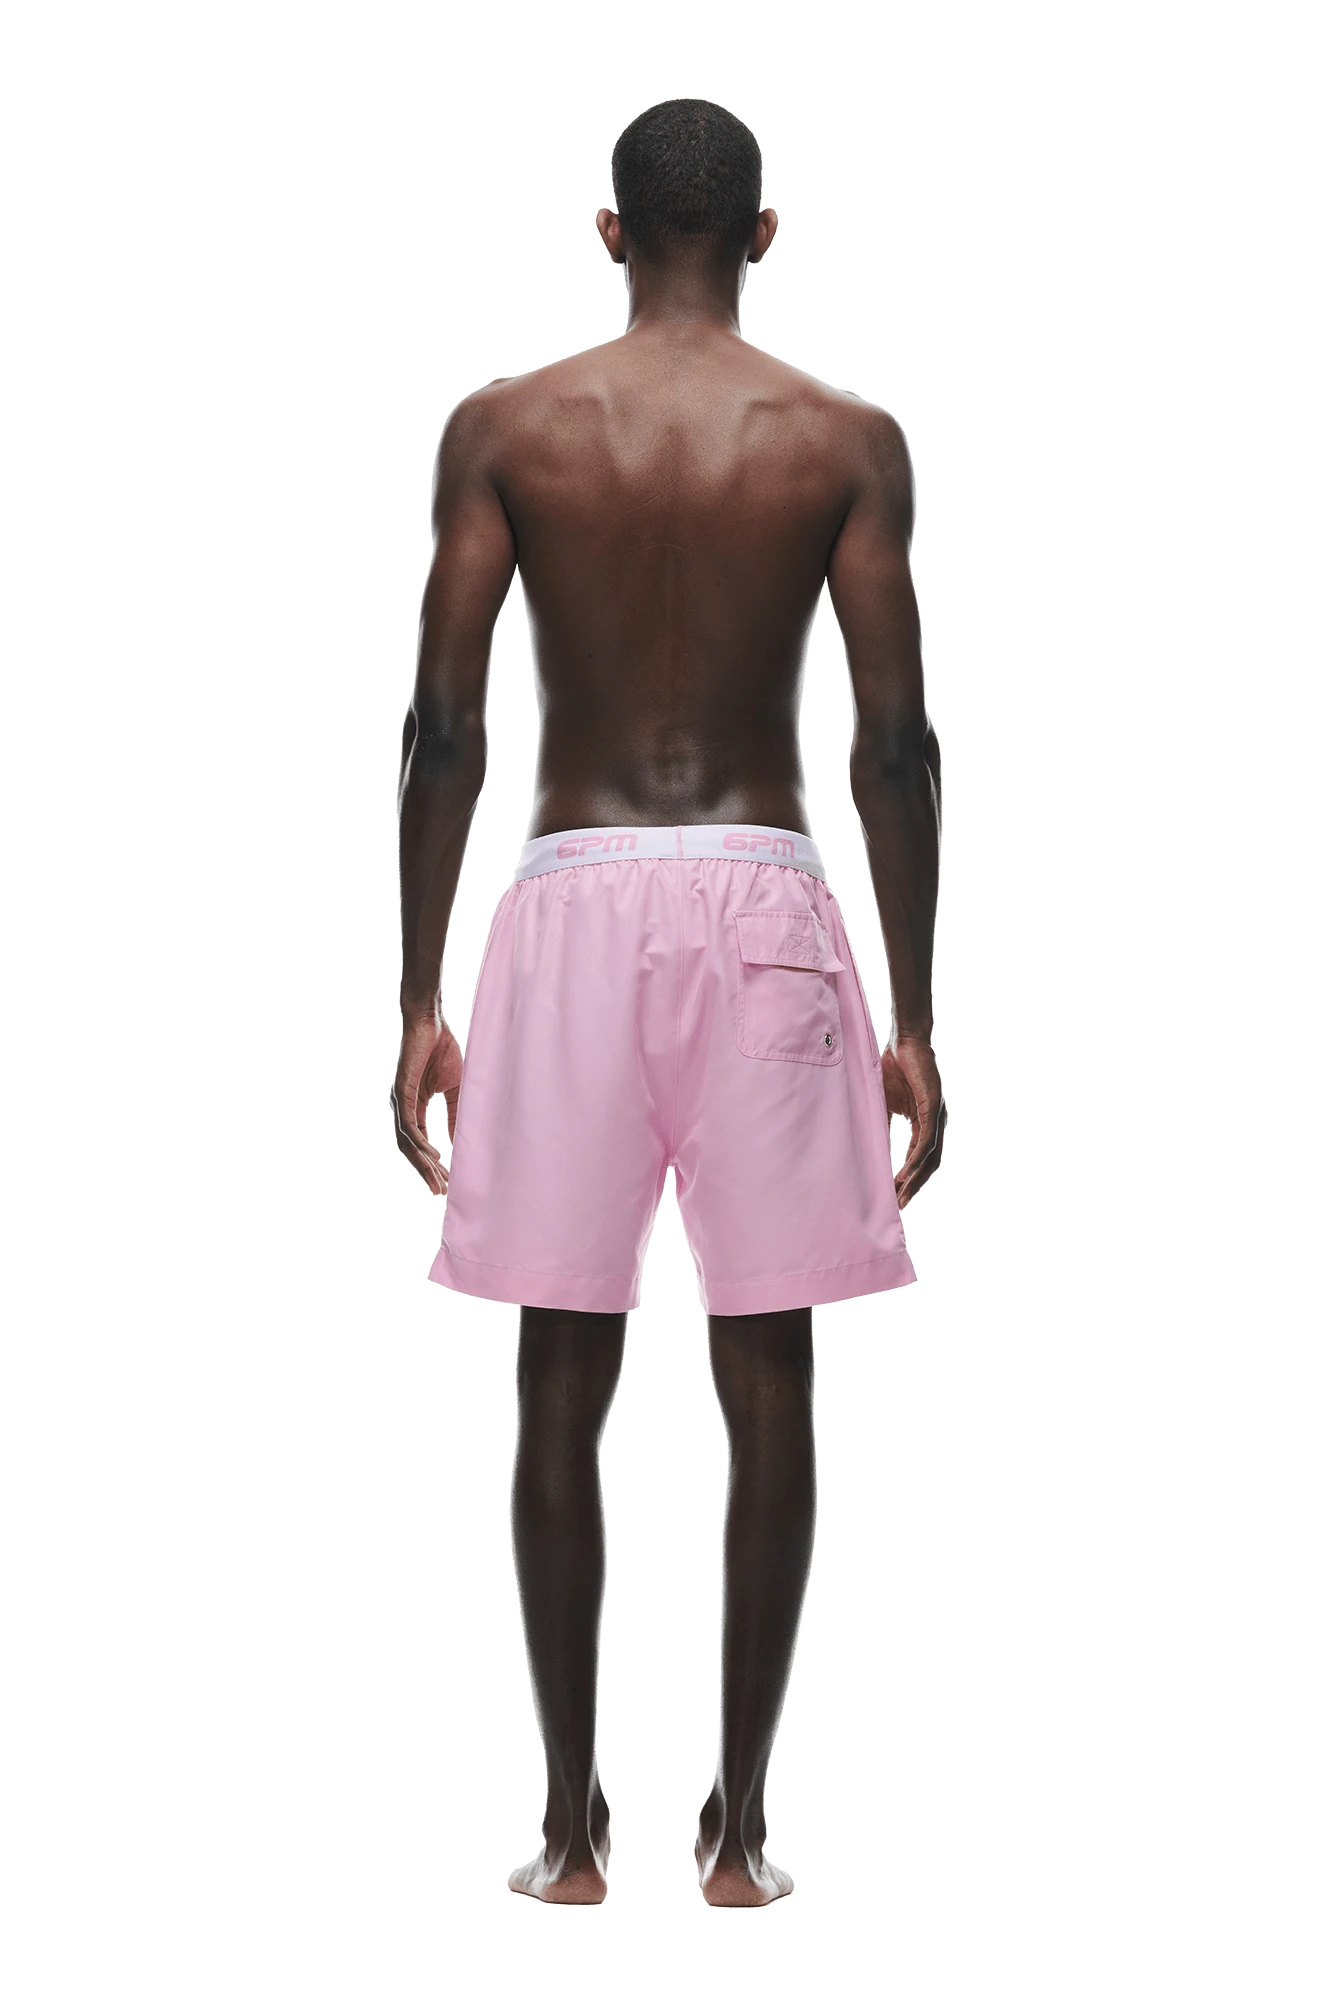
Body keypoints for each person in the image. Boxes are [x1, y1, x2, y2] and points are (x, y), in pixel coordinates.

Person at [392, 96, 944, 1909]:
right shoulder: (845, 440)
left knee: (561, 1373)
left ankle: (569, 1837)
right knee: (769, 1371)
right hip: (768, 895)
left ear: (611, 231)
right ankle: (742, 1834)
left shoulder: (507, 428)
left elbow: (448, 728)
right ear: (765, 234)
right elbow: (892, 750)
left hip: (569, 900)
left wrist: (417, 995)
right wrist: (917, 1019)